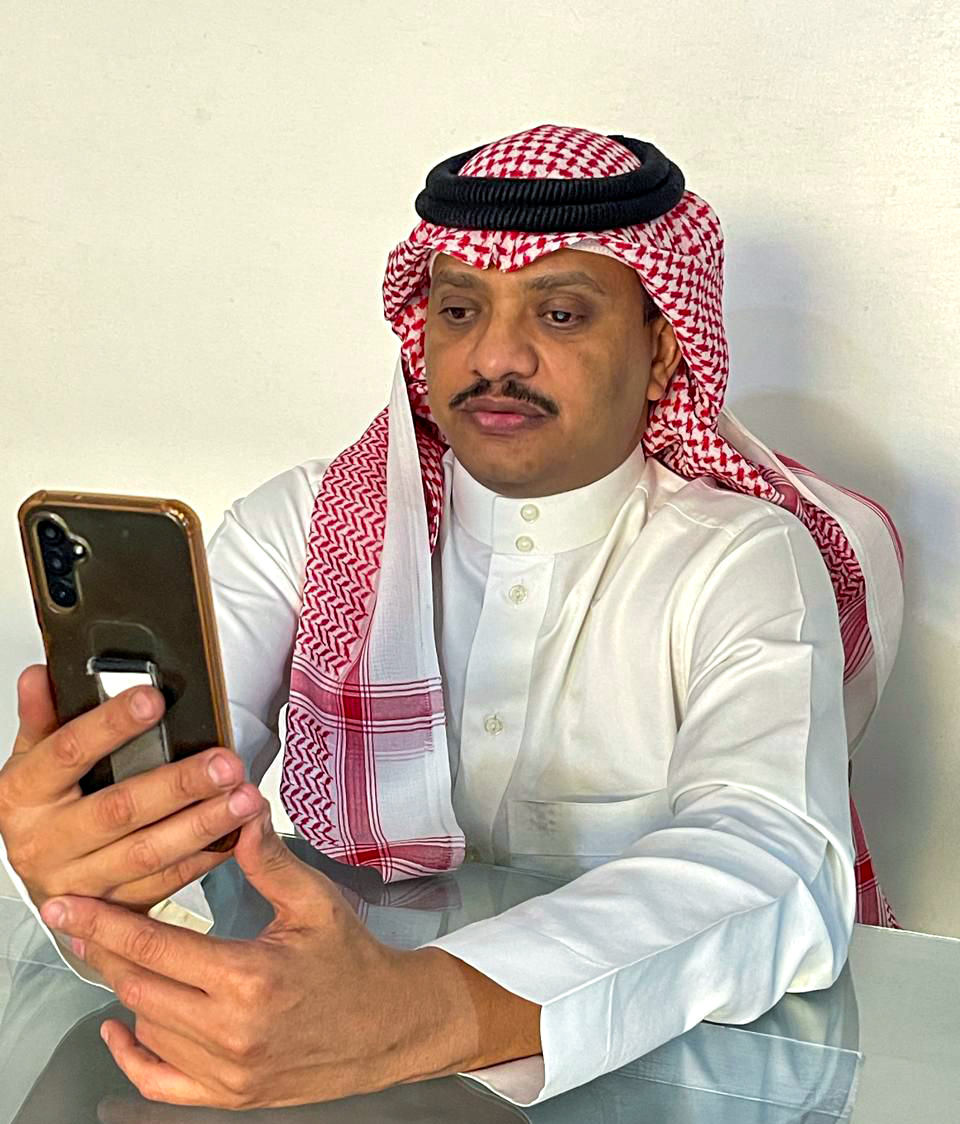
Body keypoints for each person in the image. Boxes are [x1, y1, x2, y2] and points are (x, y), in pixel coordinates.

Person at [0, 124, 903, 1110]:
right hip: (311, 1063)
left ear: (660, 351)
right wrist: (86, 859)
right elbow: (168, 799)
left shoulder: (738, 557)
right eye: (460, 309)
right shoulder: (309, 524)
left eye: (560, 313)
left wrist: (417, 1011)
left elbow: (769, 855)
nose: (495, 354)